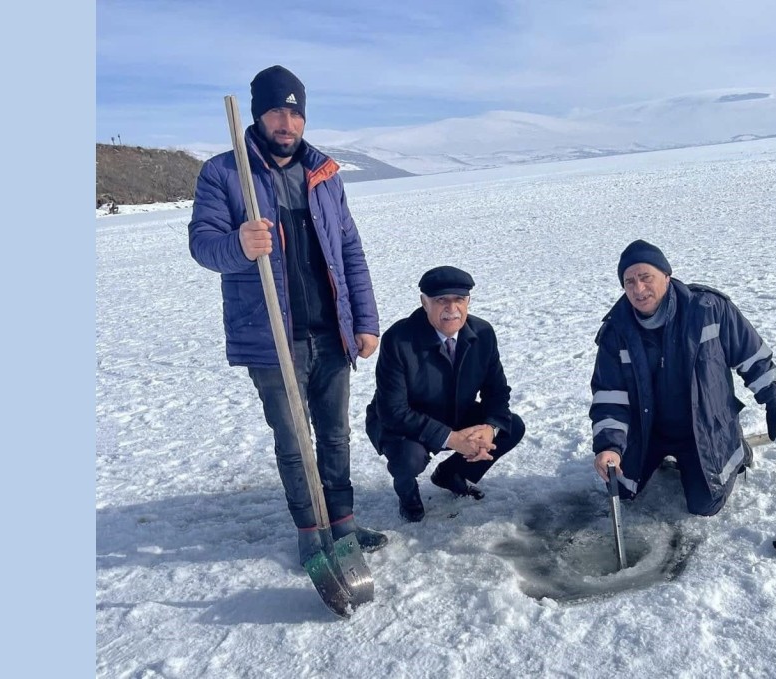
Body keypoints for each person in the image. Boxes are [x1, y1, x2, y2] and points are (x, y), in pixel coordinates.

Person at [188, 64, 388, 562]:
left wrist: (364, 320)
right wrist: (237, 243)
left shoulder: (323, 174)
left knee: (335, 434)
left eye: (295, 113)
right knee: (295, 440)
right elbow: (203, 245)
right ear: (258, 115)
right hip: (272, 336)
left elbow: (349, 251)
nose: (287, 123)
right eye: (277, 111)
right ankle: (311, 533)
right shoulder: (225, 172)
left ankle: (342, 524)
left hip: (330, 330)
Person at [589, 240, 776, 516]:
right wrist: (610, 446)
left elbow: (752, 355)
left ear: (666, 275)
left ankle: (736, 447)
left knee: (705, 504)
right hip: (648, 429)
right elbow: (609, 396)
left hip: (704, 427)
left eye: (646, 277)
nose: (638, 289)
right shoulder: (616, 330)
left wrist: (775, 403)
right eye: (629, 282)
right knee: (622, 488)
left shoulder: (708, 309)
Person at [365, 266, 526, 522]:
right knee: (409, 459)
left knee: (510, 426)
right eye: (441, 300)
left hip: (454, 411)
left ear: (468, 302)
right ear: (424, 303)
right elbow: (392, 411)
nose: (452, 308)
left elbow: (497, 392)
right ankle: (408, 496)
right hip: (402, 424)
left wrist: (489, 428)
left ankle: (449, 474)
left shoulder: (482, 334)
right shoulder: (399, 339)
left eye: (459, 300)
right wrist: (451, 438)